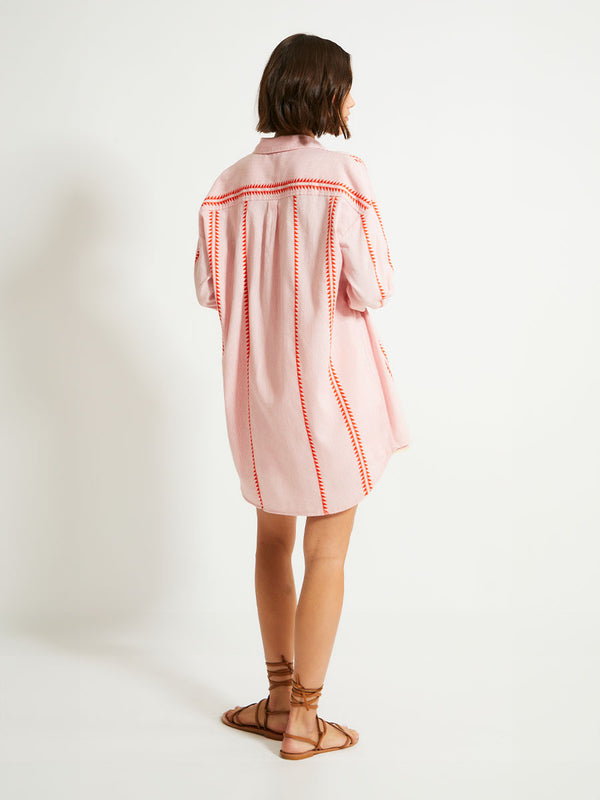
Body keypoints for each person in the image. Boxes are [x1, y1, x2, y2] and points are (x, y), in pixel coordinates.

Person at [193, 33, 410, 760]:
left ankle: (279, 697)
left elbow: (209, 290)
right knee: (327, 553)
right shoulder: (344, 175)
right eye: (346, 86)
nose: (352, 100)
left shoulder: (226, 184)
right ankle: (304, 722)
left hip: (258, 401)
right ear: (324, 92)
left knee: (271, 542)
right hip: (331, 396)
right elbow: (374, 287)